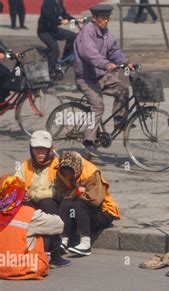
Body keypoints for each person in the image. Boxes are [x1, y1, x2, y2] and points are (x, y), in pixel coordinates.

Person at [73, 4, 134, 156]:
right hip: (86, 79)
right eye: (102, 18)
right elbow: (90, 54)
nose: (106, 21)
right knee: (98, 107)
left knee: (123, 89)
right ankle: (88, 140)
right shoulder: (87, 32)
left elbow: (114, 50)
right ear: (94, 18)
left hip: (101, 75)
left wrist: (125, 63)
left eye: (107, 18)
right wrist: (106, 64)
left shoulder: (106, 32)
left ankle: (120, 121)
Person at [15, 130, 70, 267]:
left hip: (53, 203)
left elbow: (57, 191)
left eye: (43, 149)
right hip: (31, 202)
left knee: (47, 204)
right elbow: (16, 183)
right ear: (31, 149)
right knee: (22, 208)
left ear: (50, 150)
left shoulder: (58, 165)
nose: (39, 153)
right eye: (36, 149)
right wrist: (22, 192)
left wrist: (33, 194)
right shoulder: (25, 165)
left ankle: (55, 254)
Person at [55, 151, 120, 256]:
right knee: (65, 203)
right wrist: (76, 192)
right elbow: (60, 194)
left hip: (103, 213)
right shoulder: (60, 173)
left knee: (80, 203)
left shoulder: (92, 173)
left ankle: (85, 243)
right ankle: (64, 240)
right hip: (81, 214)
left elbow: (94, 199)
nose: (68, 176)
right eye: (65, 172)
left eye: (70, 172)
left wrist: (74, 195)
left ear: (76, 168)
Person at [0, 175, 64, 280]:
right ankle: (55, 259)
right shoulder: (28, 213)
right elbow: (58, 224)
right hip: (20, 265)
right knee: (48, 231)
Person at [37, 0, 76, 77]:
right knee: (55, 50)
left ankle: (65, 59)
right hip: (44, 31)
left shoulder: (59, 2)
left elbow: (64, 14)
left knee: (73, 35)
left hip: (54, 30)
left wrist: (76, 20)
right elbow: (48, 16)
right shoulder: (48, 2)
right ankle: (49, 73)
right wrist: (60, 21)